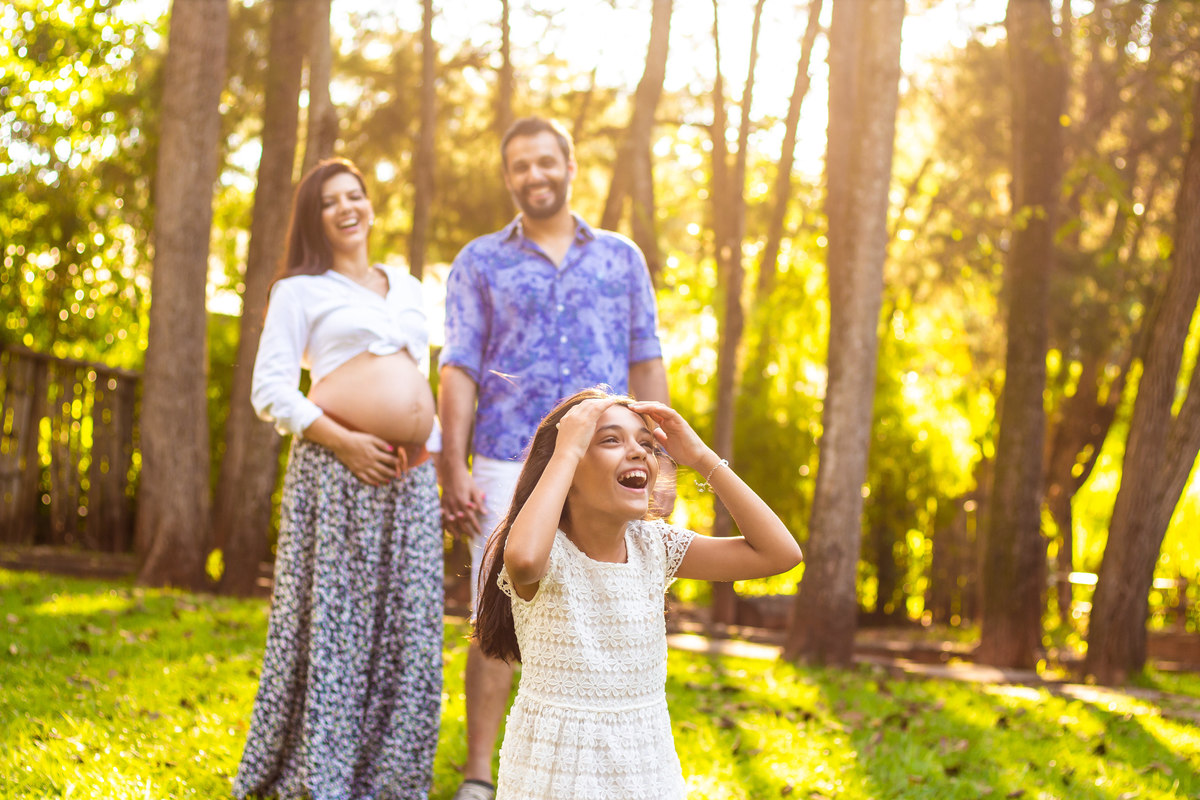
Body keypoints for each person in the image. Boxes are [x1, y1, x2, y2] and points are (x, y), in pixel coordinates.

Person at [438, 117, 671, 800]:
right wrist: (453, 464)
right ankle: (481, 775)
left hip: (607, 467)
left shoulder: (621, 258)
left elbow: (647, 358)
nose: (534, 175)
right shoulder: (479, 262)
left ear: (570, 166)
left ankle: (613, 768)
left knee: (610, 607)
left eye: (545, 162)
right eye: (520, 166)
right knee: (497, 613)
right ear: (508, 177)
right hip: (510, 459)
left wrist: (662, 467)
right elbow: (458, 370)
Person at [473, 387, 803, 798]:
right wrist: (566, 449)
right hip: (556, 774)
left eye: (647, 444)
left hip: (645, 767)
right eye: (610, 439)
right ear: (567, 466)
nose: (638, 452)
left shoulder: (654, 547)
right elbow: (521, 560)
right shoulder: (545, 552)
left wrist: (702, 458)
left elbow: (780, 554)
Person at [233, 157, 443, 800]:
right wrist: (347, 440)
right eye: (331, 201)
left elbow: (420, 382)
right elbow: (270, 390)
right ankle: (322, 775)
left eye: (356, 194)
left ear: (371, 205)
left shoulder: (407, 286)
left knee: (411, 630)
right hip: (337, 473)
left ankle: (391, 780)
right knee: (338, 625)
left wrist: (430, 451)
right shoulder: (299, 290)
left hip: (409, 483)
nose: (347, 207)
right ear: (315, 219)